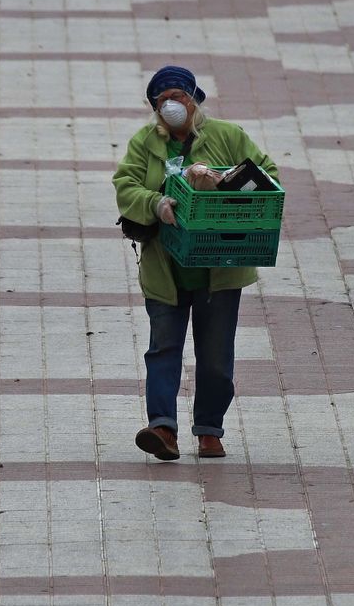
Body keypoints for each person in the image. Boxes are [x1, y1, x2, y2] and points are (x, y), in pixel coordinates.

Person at [113, 65, 280, 462]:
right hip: (166, 268)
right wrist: (156, 203)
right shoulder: (145, 143)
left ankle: (209, 430)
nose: (172, 105)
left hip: (220, 268)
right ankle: (163, 429)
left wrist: (223, 180)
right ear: (155, 107)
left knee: (216, 356)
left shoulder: (228, 136)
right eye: (163, 100)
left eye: (179, 96)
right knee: (163, 349)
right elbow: (126, 185)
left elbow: (267, 177)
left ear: (194, 98)